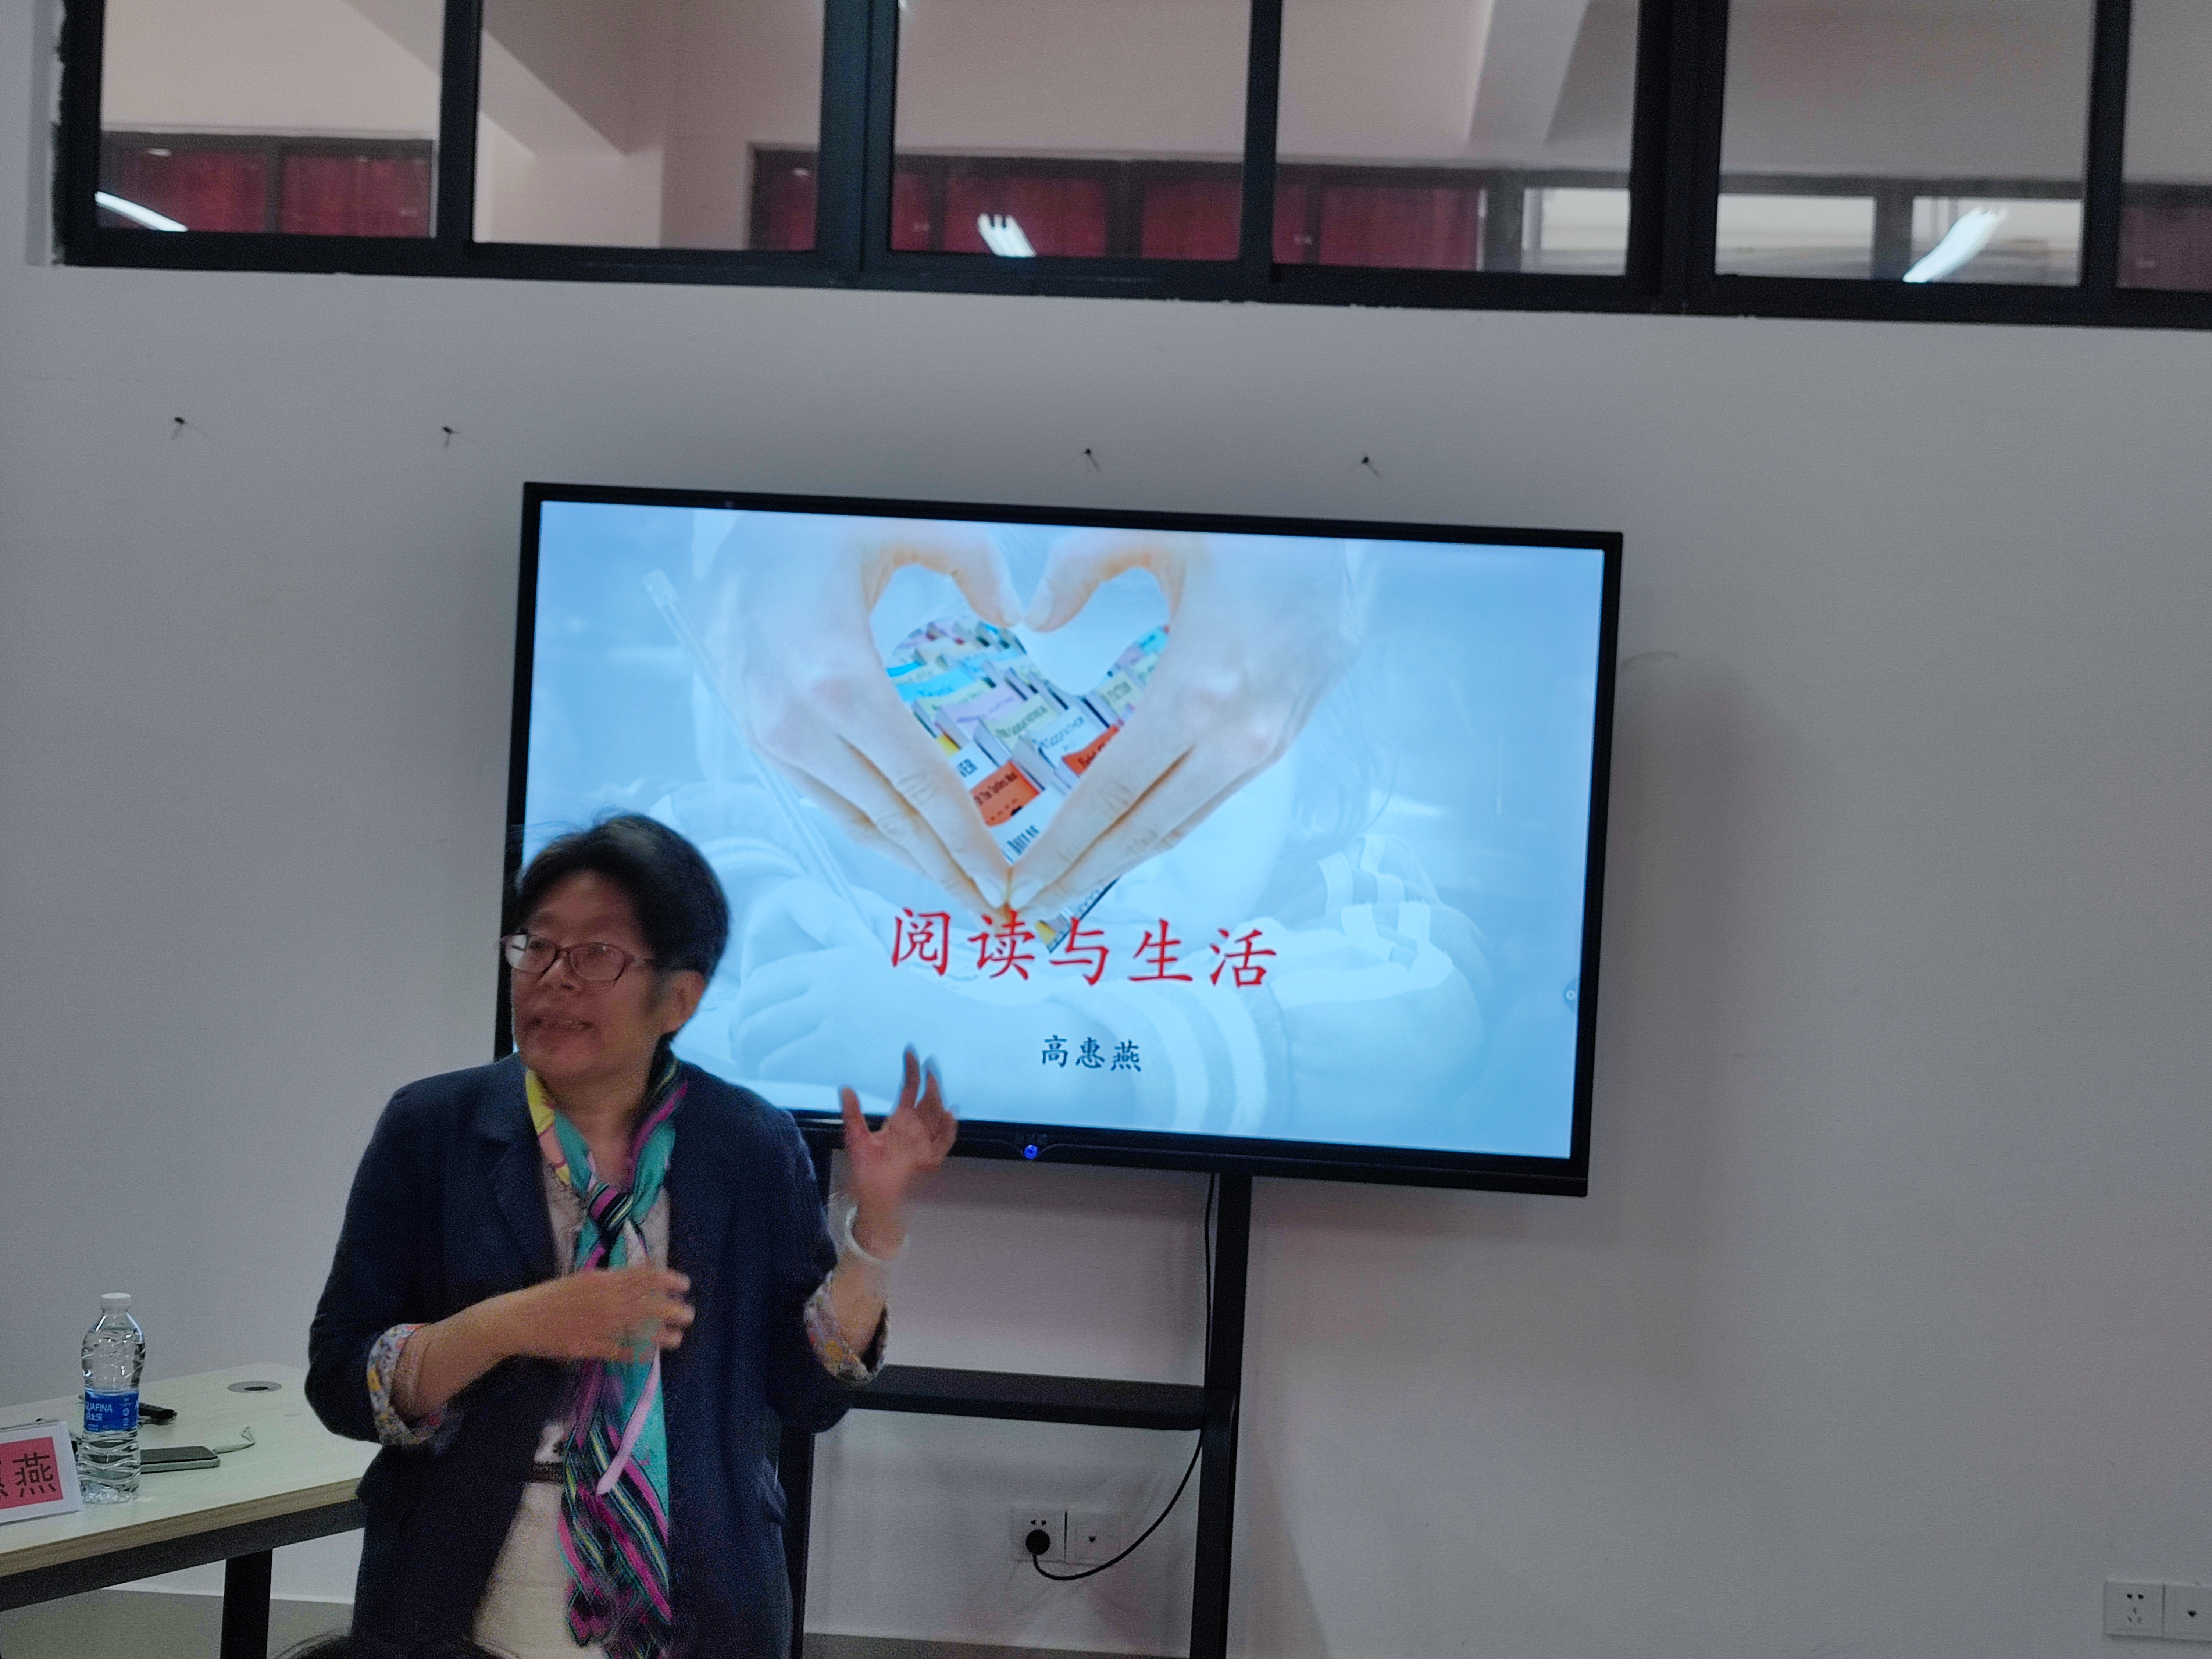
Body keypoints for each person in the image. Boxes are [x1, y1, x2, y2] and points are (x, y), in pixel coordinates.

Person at [307, 815, 956, 1659]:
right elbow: (340, 1380)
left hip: (699, 1596)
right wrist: (508, 1325)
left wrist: (876, 1232)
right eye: (537, 947)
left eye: (597, 954)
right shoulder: (432, 1129)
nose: (554, 978)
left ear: (679, 998)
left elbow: (806, 1394)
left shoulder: (746, 1145)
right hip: (457, 1595)